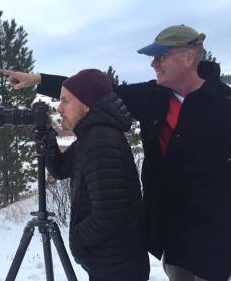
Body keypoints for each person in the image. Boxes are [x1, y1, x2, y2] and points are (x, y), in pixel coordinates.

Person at [0, 24, 231, 281]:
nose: (153, 64)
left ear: (188, 57)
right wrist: (39, 80)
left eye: (161, 57)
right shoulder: (153, 97)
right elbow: (95, 93)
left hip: (216, 242)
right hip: (173, 238)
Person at [42, 68, 149, 281]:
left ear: (86, 105)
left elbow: (109, 215)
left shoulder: (101, 141)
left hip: (117, 267)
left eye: (65, 101)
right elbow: (61, 169)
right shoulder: (91, 135)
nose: (59, 108)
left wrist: (78, 239)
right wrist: (47, 135)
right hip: (111, 261)